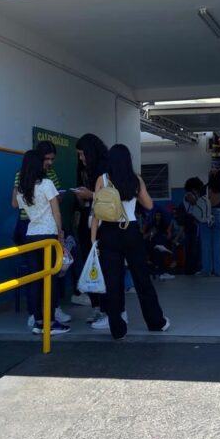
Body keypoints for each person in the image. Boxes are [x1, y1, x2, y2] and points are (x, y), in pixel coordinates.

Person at [91, 144, 170, 340]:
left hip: (108, 232)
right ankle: (156, 322)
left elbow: (96, 212)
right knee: (141, 278)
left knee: (113, 282)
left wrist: (93, 240)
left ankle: (117, 329)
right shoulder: (135, 179)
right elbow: (149, 205)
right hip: (130, 231)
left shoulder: (102, 180)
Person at [12, 141, 70, 324]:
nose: (49, 163)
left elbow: (17, 204)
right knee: (50, 277)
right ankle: (50, 320)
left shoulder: (23, 188)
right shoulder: (46, 183)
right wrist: (60, 234)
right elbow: (56, 212)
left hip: (31, 233)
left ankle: (37, 320)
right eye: (46, 160)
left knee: (35, 277)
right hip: (48, 234)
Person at [72, 133, 108, 319]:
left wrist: (91, 195)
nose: (81, 158)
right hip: (87, 218)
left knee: (103, 262)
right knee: (89, 261)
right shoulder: (82, 169)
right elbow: (83, 202)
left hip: (103, 220)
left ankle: (106, 308)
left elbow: (111, 198)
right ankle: (96, 307)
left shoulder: (105, 168)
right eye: (78, 154)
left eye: (82, 154)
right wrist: (80, 197)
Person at [200, 173, 220, 276]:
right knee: (218, 243)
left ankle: (207, 270)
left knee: (206, 244)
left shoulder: (204, 188)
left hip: (206, 215)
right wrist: (218, 171)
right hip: (218, 214)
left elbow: (200, 202)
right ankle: (219, 270)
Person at [182, 177, 207, 275]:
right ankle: (190, 268)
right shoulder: (188, 195)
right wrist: (197, 195)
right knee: (191, 245)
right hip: (190, 220)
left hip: (194, 220)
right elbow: (195, 202)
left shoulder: (192, 194)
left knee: (194, 245)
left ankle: (193, 267)